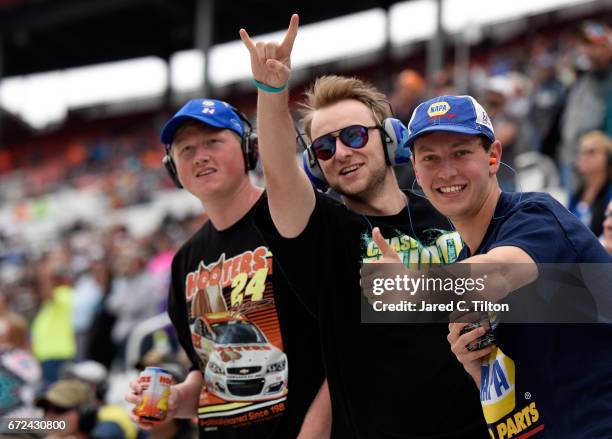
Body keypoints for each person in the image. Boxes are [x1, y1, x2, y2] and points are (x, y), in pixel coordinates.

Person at [240, 15, 488, 438]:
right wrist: (271, 91)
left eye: (355, 135)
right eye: (324, 146)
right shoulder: (326, 235)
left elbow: (526, 294)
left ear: (389, 139)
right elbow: (280, 173)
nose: (341, 151)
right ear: (315, 165)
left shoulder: (450, 213)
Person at [395, 94, 612, 438]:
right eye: (431, 158)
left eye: (461, 153)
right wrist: (476, 367)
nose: (446, 170)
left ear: (493, 156)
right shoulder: (463, 262)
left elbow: (499, 271)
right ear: (417, 172)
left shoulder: (536, 217)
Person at [125, 98, 326, 438]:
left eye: (213, 142)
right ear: (173, 169)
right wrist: (174, 401)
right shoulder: (185, 261)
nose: (200, 156)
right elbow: (206, 376)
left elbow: (346, 344)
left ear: (249, 150)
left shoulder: (294, 216)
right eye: (186, 149)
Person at [568, 130, 612, 236]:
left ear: (608, 158)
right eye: (582, 152)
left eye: (591, 152)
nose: (583, 156)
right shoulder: (576, 193)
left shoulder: (610, 195)